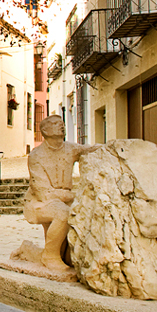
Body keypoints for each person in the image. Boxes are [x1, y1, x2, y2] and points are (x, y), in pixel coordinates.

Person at [24, 115, 100, 273]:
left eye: (62, 123)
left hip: (62, 200)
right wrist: (74, 195)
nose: (61, 126)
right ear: (44, 130)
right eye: (55, 123)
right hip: (39, 203)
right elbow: (45, 193)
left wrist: (114, 146)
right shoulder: (36, 155)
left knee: (84, 212)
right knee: (63, 213)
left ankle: (63, 255)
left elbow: (90, 149)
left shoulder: (71, 149)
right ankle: (50, 256)